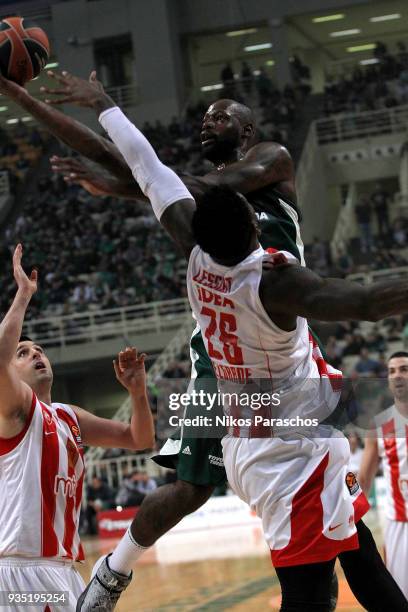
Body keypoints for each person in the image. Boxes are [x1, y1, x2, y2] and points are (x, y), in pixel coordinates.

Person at [1, 72, 406, 611]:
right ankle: (114, 571)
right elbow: (364, 302)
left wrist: (76, 115)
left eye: (221, 115)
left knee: (356, 550)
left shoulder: (232, 199)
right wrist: (120, 159)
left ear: (248, 128)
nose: (208, 121)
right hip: (280, 412)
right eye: (205, 115)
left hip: (269, 404)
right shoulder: (276, 279)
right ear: (252, 229)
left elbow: (147, 167)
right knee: (236, 517)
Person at [0, 245, 155, 611]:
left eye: (39, 349)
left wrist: (137, 393)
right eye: (23, 353)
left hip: (64, 569)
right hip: (20, 568)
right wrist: (24, 295)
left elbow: (140, 438)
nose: (36, 353)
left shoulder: (68, 416)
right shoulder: (17, 409)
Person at [359, 351, 408, 599]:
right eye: (392, 371)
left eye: (403, 369)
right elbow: (364, 480)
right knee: (401, 597)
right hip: (399, 526)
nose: (397, 375)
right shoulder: (378, 425)